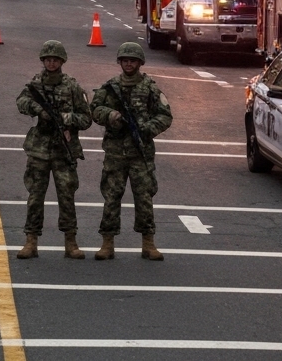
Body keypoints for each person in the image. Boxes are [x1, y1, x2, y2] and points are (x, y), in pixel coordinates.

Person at [90, 42, 173, 260]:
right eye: (125, 60)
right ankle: (107, 243)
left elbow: (165, 115)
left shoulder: (150, 88)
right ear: (120, 62)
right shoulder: (110, 87)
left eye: (132, 60)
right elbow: (94, 109)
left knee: (144, 197)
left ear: (139, 63)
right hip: (115, 152)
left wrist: (147, 130)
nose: (128, 64)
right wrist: (110, 116)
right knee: (111, 197)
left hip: (141, 153)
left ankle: (148, 243)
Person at [14, 40, 91, 260]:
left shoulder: (72, 87)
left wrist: (67, 119)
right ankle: (31, 240)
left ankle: (71, 241)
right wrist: (38, 108)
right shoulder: (35, 85)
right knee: (35, 196)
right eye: (47, 59)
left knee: (66, 196)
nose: (51, 63)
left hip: (63, 150)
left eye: (55, 60)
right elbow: (21, 102)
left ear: (62, 61)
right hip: (39, 149)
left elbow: (86, 119)